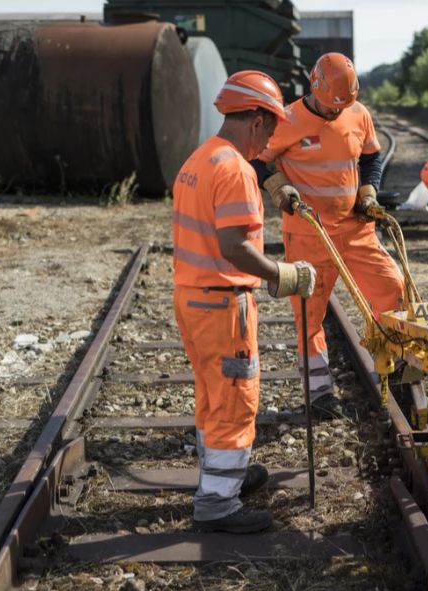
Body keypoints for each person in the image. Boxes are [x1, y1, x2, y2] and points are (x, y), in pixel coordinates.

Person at [172, 71, 316, 534]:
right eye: (271, 128)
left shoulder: (200, 158)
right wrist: (282, 274)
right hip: (222, 303)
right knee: (235, 402)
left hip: (193, 298)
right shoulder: (234, 168)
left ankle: (222, 475)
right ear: (256, 120)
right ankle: (218, 502)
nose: (271, 138)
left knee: (213, 394)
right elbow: (234, 244)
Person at [252, 52, 404, 420]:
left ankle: (394, 368)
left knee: (392, 288)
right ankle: (319, 393)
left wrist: (368, 191)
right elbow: (258, 159)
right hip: (309, 234)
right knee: (309, 316)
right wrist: (277, 187)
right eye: (330, 105)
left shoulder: (358, 113)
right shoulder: (286, 119)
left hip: (355, 229)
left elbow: (371, 158)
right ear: (313, 87)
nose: (336, 112)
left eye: (343, 106)